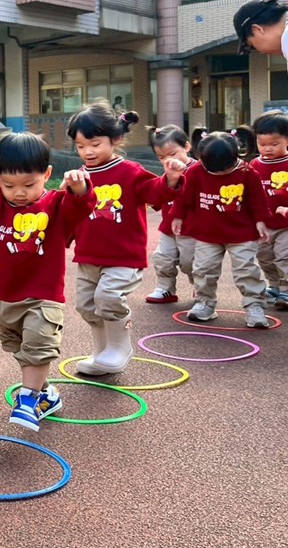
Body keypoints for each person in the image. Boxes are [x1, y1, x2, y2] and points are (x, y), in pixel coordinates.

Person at [0, 121, 95, 432]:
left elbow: (81, 206)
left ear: (46, 175)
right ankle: (47, 394)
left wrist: (79, 187)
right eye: (9, 185)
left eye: (28, 184)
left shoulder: (56, 205)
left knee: (38, 344)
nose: (19, 193)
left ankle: (28, 398)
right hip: (4, 294)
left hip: (42, 294)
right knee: (19, 347)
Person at [67, 102, 186, 375]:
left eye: (95, 144)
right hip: (89, 255)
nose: (87, 151)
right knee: (86, 305)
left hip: (123, 255)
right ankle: (101, 352)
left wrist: (170, 178)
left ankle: (120, 348)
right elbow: (71, 211)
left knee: (108, 296)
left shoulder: (129, 171)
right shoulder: (81, 175)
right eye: (80, 146)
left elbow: (154, 193)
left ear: (116, 139)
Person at [171, 131, 272, 328]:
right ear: (202, 160)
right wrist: (178, 216)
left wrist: (261, 221)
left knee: (246, 270)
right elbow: (184, 196)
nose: (219, 174)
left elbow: (258, 200)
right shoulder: (195, 172)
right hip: (207, 232)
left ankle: (254, 305)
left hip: (242, 233)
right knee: (203, 269)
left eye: (224, 170)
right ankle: (205, 303)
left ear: (235, 158)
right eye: (213, 170)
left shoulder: (247, 173)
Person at [144, 125, 197, 305]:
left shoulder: (198, 170)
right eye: (161, 157)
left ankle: (200, 287)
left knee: (191, 262)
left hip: (192, 229)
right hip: (168, 228)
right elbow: (160, 195)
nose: (168, 160)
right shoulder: (168, 173)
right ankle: (165, 288)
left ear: (187, 147)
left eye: (172, 154)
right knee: (162, 258)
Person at [252, 111, 288, 310]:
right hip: (264, 224)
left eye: (274, 144)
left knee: (284, 256)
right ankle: (274, 285)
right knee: (264, 256)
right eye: (262, 144)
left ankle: (286, 288)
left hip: (286, 224)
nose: (267, 148)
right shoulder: (255, 165)